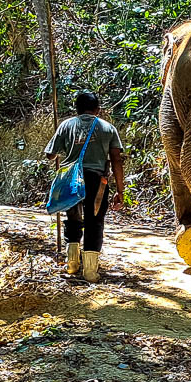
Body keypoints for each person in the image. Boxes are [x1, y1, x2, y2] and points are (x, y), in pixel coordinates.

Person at [44, 91, 125, 282]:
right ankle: (90, 271)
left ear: (77, 110)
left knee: (72, 218)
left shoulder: (66, 125)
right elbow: (116, 160)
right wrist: (120, 190)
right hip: (97, 181)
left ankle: (72, 264)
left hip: (71, 180)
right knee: (94, 220)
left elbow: (50, 154)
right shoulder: (107, 128)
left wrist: (67, 148)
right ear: (98, 109)